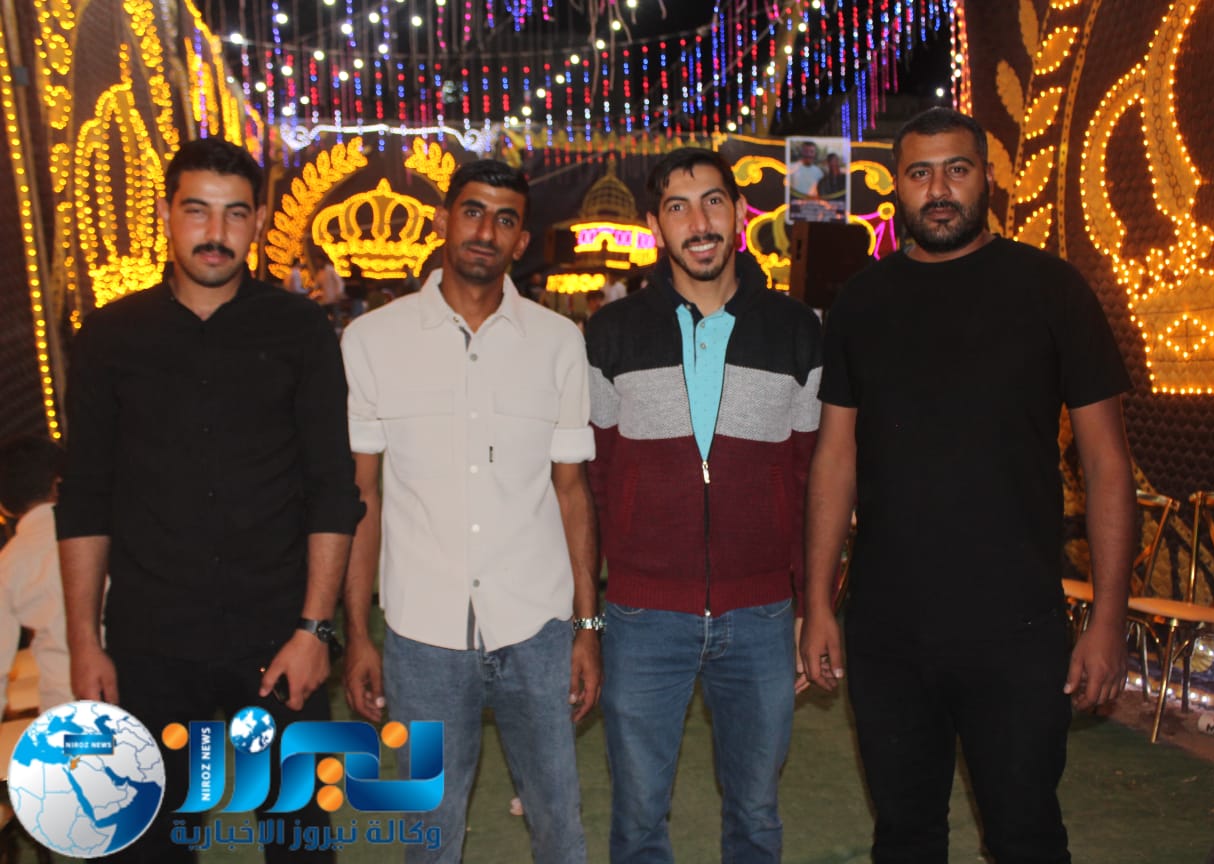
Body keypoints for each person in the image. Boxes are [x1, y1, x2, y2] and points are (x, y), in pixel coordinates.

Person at [800, 107, 1136, 863]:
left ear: (986, 178)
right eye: (920, 174)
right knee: (904, 837)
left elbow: (1107, 464)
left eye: (956, 169)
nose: (939, 189)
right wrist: (818, 603)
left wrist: (1110, 615)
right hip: (887, 628)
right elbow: (834, 459)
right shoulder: (861, 302)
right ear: (897, 188)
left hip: (1016, 625)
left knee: (1026, 837)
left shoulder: (1052, 290)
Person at [56, 136, 362, 863]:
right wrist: (85, 641)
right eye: (197, 211)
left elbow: (332, 488)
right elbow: (85, 498)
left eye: (235, 214)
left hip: (277, 631)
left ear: (257, 221)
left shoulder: (300, 329)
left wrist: (314, 631)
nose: (216, 233)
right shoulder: (110, 337)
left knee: (298, 842)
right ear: (167, 214)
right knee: (149, 843)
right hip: (150, 639)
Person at [340, 159, 600, 864]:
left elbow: (572, 493)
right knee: (429, 836)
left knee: (560, 827)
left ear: (522, 241)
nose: (486, 231)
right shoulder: (372, 341)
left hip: (537, 628)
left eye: (505, 219)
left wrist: (586, 628)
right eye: (474, 212)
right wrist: (358, 633)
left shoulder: (559, 343)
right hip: (421, 634)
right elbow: (363, 496)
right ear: (444, 220)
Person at [585, 147, 822, 863]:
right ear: (655, 224)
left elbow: (810, 480)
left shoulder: (797, 330)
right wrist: (589, 612)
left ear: (739, 212)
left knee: (756, 815)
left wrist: (813, 603)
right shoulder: (610, 333)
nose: (700, 222)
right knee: (638, 820)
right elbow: (594, 482)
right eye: (679, 207)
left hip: (762, 615)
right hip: (642, 614)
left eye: (714, 201)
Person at [0, 435, 72, 715]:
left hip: (66, 706)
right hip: (143, 690)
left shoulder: (9, 562)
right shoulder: (108, 532)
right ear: (59, 483)